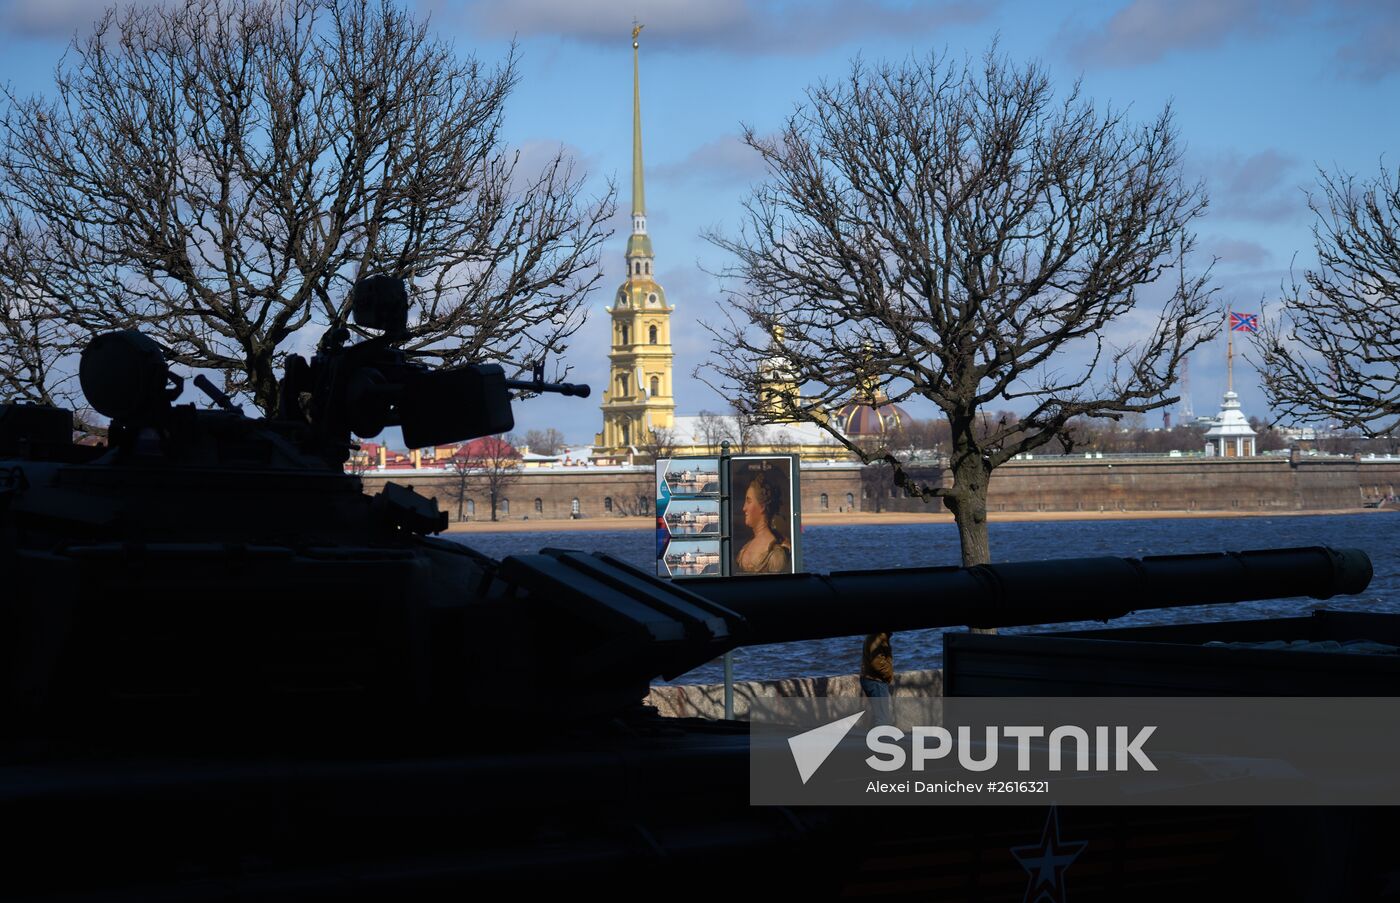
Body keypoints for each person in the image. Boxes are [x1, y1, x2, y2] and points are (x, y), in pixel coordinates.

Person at [733, 472, 791, 574]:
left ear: (762, 507)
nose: (744, 508)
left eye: (749, 501)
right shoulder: (745, 548)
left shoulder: (776, 554)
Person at [861, 631, 894, 727]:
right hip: (875, 681)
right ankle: (881, 740)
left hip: (871, 679)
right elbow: (877, 661)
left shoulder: (877, 636)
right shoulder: (878, 636)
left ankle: (871, 739)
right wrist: (889, 675)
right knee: (883, 719)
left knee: (878, 716)